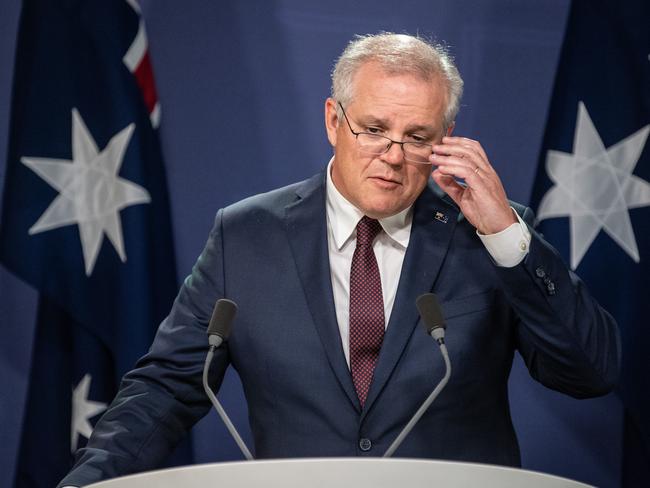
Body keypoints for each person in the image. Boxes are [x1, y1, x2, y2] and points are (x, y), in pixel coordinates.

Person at [58, 33, 620, 487]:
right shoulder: (247, 235)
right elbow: (166, 388)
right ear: (334, 121)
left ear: (446, 138)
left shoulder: (486, 236)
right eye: (374, 130)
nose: (393, 157)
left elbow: (589, 372)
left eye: (417, 136)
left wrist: (505, 234)